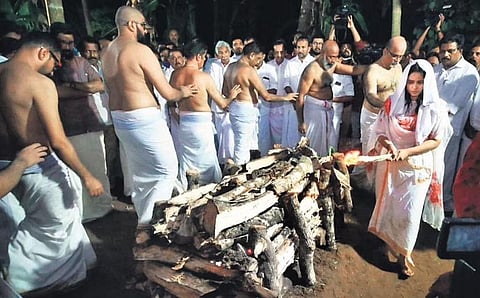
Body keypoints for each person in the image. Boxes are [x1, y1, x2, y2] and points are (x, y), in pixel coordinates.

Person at [0, 31, 102, 294]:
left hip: (6, 164)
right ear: (43, 53)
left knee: (45, 222)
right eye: (55, 63)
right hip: (37, 165)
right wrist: (86, 175)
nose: (54, 69)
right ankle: (25, 280)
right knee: (54, 224)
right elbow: (58, 141)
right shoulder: (37, 83)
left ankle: (78, 268)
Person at [101, 6, 198, 246]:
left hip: (121, 119)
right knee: (166, 170)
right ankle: (148, 226)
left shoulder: (107, 52)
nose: (145, 29)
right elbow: (167, 92)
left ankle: (144, 220)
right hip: (143, 118)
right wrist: (183, 91)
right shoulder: (139, 50)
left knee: (142, 174)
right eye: (143, 25)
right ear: (131, 24)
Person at [367, 60, 452, 278]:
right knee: (386, 205)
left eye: (420, 83)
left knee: (410, 213)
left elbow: (435, 141)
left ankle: (404, 256)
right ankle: (386, 245)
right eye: (411, 82)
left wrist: (408, 152)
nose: (414, 87)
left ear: (427, 83)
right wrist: (390, 145)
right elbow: (380, 131)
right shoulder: (392, 102)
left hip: (417, 167)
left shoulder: (437, 108)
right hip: (390, 165)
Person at [52, 23, 114, 222]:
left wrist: (73, 86)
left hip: (91, 123)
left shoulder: (81, 62)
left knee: (99, 170)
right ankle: (82, 214)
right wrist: (83, 89)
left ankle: (103, 209)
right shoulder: (50, 67)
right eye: (63, 42)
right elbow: (56, 92)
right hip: (68, 128)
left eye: (70, 43)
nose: (67, 47)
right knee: (75, 176)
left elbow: (99, 85)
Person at [170, 40, 240, 188]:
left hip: (184, 123)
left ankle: (186, 187)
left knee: (187, 160)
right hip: (201, 125)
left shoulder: (175, 75)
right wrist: (232, 96)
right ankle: (210, 189)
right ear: (198, 57)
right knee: (208, 161)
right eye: (204, 57)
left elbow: (170, 101)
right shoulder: (203, 77)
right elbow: (222, 104)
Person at [222, 42, 297, 165]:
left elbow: (225, 91)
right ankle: (239, 173)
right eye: (257, 58)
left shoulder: (230, 67)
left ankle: (244, 168)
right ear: (251, 55)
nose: (258, 62)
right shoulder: (248, 70)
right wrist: (286, 97)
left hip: (235, 108)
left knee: (243, 143)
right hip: (245, 110)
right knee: (243, 146)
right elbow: (266, 96)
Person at [434, 34, 480, 214]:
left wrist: (429, 108)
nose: (445, 55)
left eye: (450, 51)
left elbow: (452, 106)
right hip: (428, 127)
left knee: (445, 167)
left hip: (451, 129)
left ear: (459, 51)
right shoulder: (436, 69)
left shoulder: (469, 74)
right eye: (443, 51)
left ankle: (441, 206)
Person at [296, 40, 366, 157]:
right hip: (314, 111)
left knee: (330, 145)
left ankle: (327, 170)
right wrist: (301, 121)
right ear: (323, 53)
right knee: (314, 146)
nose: (333, 60)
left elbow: (354, 70)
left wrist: (375, 66)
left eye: (336, 57)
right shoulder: (311, 70)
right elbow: (300, 97)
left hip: (329, 110)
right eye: (331, 57)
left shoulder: (332, 65)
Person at [206, 40, 236, 165]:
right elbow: (213, 86)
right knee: (221, 133)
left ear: (230, 52)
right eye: (220, 53)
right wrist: (222, 101)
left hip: (233, 104)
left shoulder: (235, 64)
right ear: (217, 54)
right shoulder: (214, 65)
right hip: (218, 104)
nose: (223, 55)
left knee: (231, 133)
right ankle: (222, 162)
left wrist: (229, 100)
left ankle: (233, 160)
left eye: (225, 52)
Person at [282, 36, 315, 148]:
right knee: (293, 137)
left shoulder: (314, 63)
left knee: (309, 137)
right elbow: (286, 83)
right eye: (298, 47)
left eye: (303, 47)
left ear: (309, 48)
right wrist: (295, 99)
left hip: (310, 104)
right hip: (293, 105)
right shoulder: (290, 63)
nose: (300, 50)